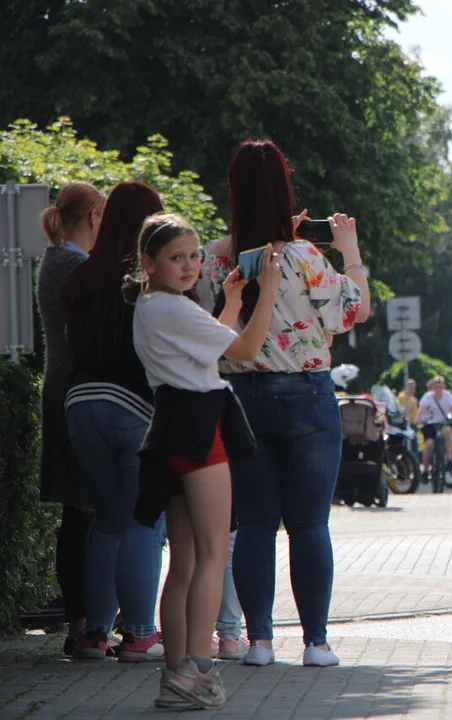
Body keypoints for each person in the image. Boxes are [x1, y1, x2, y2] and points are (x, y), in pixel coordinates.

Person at [204, 140, 369, 669]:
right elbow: (353, 312)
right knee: (309, 524)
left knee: (255, 522)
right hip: (306, 393)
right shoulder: (303, 255)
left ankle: (258, 642)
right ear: (284, 191)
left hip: (242, 397)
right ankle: (316, 644)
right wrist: (349, 247)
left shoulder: (214, 257)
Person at [131, 213, 280, 709]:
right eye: (177, 258)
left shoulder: (154, 305)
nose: (190, 266)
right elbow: (246, 349)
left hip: (172, 426)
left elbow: (208, 353)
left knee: (185, 563)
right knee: (215, 553)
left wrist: (233, 301)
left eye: (195, 256)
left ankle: (177, 675)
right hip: (200, 429)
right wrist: (271, 291)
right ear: (148, 262)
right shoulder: (171, 307)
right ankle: (198, 669)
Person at [63, 183, 164, 662]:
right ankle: (141, 632)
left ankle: (95, 632)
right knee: (142, 522)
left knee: (105, 523)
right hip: (135, 409)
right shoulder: (144, 279)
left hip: (80, 404)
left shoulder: (80, 277)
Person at [36, 181, 105, 656]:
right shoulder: (73, 263)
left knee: (77, 514)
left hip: (61, 383)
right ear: (95, 216)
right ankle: (84, 624)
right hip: (75, 387)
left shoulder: (56, 258)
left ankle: (81, 621)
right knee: (84, 513)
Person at [417, 376, 452, 481]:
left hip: (443, 422)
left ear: (444, 387)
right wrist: (418, 419)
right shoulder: (427, 397)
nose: (438, 389)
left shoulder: (448, 396)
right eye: (436, 387)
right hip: (430, 424)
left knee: (448, 431)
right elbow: (421, 410)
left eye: (440, 387)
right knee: (429, 443)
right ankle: (425, 469)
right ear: (432, 387)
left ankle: (449, 459)